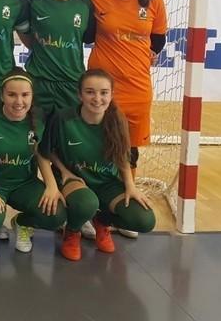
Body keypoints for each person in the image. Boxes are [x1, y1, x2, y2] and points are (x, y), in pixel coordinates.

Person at [85, 0, 166, 239]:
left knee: (128, 150)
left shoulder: (154, 1)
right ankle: (87, 210)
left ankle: (122, 207)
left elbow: (157, 42)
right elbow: (86, 34)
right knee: (94, 146)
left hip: (137, 89)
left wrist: (141, 57)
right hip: (102, 91)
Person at [41, 69, 156, 261]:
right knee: (86, 203)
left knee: (144, 220)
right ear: (80, 95)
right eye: (90, 92)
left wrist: (130, 186)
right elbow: (45, 151)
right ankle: (72, 231)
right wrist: (62, 172)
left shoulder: (118, 120)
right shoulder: (63, 118)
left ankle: (101, 221)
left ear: (111, 95)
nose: (97, 98)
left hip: (107, 183)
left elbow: (123, 157)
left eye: (104, 92)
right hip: (75, 180)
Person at [0, 68, 67, 255]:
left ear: (32, 96)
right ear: (2, 95)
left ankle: (22, 223)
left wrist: (51, 185)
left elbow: (40, 151)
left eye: (25, 95)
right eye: (12, 95)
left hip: (24, 184)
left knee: (57, 214)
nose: (19, 101)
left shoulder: (39, 117)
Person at [20, 0, 97, 116]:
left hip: (71, 83)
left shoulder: (85, 4)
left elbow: (87, 38)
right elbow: (23, 31)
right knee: (37, 137)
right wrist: (39, 47)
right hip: (39, 82)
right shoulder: (34, 1)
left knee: (67, 138)